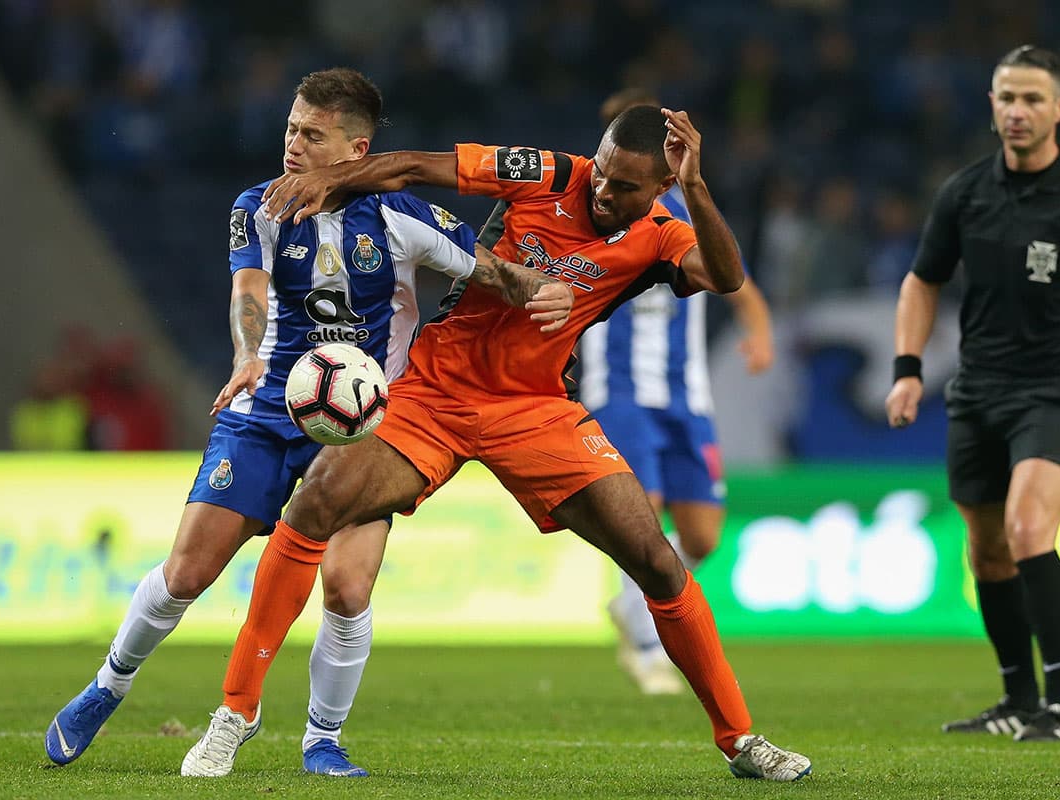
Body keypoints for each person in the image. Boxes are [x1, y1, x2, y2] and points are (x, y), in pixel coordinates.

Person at [186, 104, 812, 781]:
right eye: (600, 174)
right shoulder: (544, 172)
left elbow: (724, 277)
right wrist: (331, 183)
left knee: (660, 565)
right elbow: (415, 166)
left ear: (661, 189)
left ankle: (741, 740)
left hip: (535, 410)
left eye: (624, 187)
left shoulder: (662, 236)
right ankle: (235, 714)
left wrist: (697, 188)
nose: (601, 191)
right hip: (436, 391)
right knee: (314, 507)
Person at [44, 67, 572, 778]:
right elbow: (249, 291)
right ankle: (108, 685)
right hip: (264, 413)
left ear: (355, 151)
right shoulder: (258, 206)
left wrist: (561, 302)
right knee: (185, 575)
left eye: (312, 134)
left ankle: (322, 738)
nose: (292, 144)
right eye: (291, 128)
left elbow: (498, 277)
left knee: (349, 589)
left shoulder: (399, 217)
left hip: (364, 429)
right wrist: (244, 354)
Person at [885, 45, 1060, 744]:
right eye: (1007, 97)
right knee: (987, 553)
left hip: (1053, 392)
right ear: (991, 105)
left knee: (1030, 532)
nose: (1018, 111)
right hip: (976, 390)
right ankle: (1015, 699)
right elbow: (922, 280)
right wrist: (908, 366)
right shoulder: (966, 193)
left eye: (1033, 99)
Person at [579, 88, 775, 695]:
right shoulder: (597, 209)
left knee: (702, 537)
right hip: (618, 388)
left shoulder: (688, 213)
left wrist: (760, 330)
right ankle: (643, 635)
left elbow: (732, 278)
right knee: (646, 509)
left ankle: (632, 606)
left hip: (686, 394)